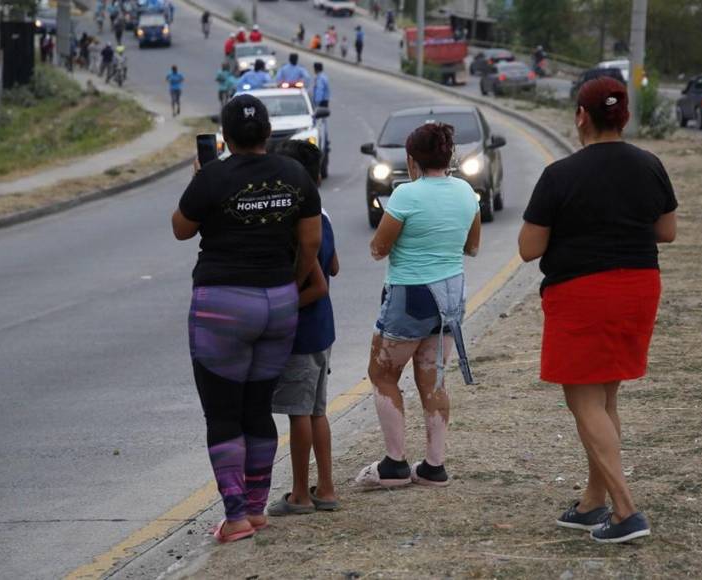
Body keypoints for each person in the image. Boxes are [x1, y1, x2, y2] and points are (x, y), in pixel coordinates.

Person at [517, 77, 677, 544]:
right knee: (605, 398)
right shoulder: (650, 165)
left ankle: (626, 511)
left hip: (583, 293)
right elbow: (666, 231)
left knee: (583, 400)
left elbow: (529, 248)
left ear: (581, 116)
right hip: (640, 287)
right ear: (624, 116)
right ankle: (594, 500)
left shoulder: (560, 174)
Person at [171, 94, 322, 544]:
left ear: (226, 136)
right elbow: (311, 243)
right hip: (277, 302)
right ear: (268, 131)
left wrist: (200, 179)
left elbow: (181, 228)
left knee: (222, 413)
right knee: (258, 408)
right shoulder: (295, 174)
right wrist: (290, 284)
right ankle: (256, 508)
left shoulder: (213, 176)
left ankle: (235, 515)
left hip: (222, 305)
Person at [357, 122, 480, 489]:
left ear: (412, 159)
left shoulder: (406, 196)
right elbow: (472, 248)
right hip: (450, 297)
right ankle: (434, 466)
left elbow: (378, 249)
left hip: (410, 295)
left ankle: (394, 463)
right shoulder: (465, 192)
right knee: (434, 375)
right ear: (449, 155)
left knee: (383, 374)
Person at [266, 140, 340, 517]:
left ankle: (299, 494)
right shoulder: (322, 217)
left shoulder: (298, 224)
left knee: (298, 412)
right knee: (316, 411)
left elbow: (318, 285)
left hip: (301, 331)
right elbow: (335, 267)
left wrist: (276, 307)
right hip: (323, 329)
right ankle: (325, 487)